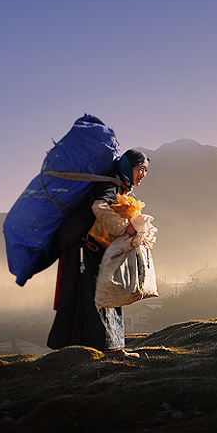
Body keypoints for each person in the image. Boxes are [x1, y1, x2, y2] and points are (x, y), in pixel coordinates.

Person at [46, 148, 149, 356]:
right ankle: (101, 349)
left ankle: (105, 347)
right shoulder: (111, 183)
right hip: (84, 248)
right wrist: (123, 227)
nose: (143, 174)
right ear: (130, 167)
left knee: (105, 294)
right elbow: (99, 206)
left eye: (146, 170)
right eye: (141, 169)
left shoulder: (123, 186)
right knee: (98, 296)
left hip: (95, 250)